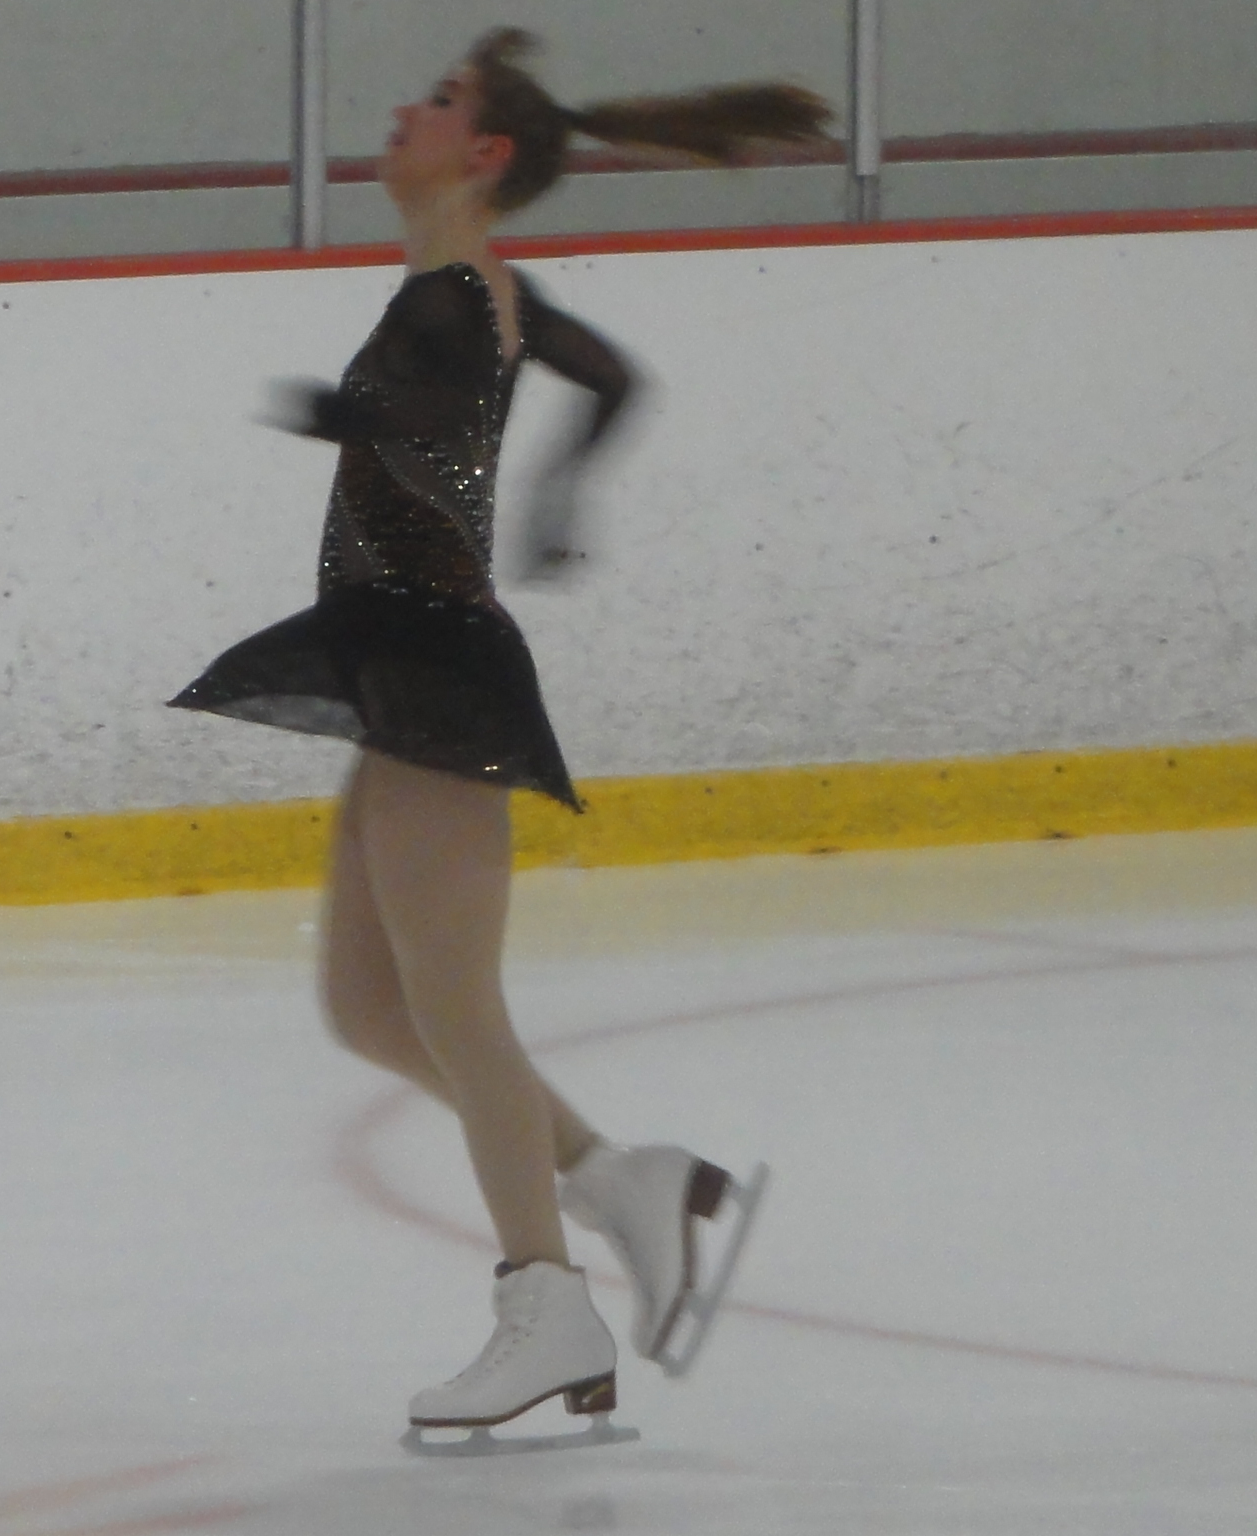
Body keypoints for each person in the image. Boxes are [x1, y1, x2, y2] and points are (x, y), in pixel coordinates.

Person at [171, 30, 823, 1435]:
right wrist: (562, 490)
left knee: (459, 1012)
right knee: (368, 1010)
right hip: (402, 657)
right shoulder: (480, 287)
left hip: (436, 669)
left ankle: (547, 1305)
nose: (402, 111)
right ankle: (622, 1178)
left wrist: (328, 411)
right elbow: (612, 382)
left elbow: (412, 405)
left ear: (484, 155)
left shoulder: (457, 296)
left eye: (440, 100)